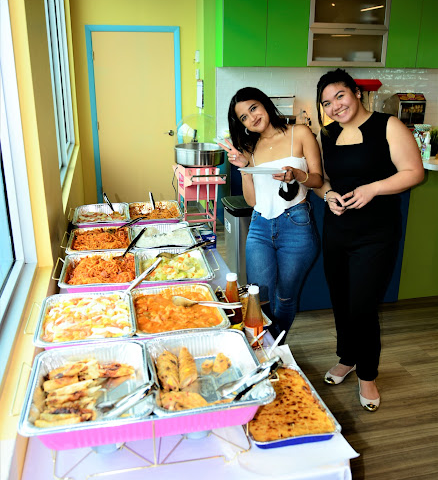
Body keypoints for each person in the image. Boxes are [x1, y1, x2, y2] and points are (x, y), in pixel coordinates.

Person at [314, 69, 424, 411]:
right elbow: (323, 179)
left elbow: (413, 172)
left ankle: (368, 375)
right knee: (341, 300)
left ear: (356, 93)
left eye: (340, 96)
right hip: (337, 229)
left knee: (362, 306)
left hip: (376, 234)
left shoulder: (388, 125)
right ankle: (347, 358)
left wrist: (373, 188)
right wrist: (328, 194)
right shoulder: (327, 134)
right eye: (327, 102)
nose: (335, 106)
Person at [218, 87, 323, 340]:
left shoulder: (300, 133)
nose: (252, 118)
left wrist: (298, 175)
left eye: (253, 108)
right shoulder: (252, 149)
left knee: (285, 297)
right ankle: (265, 346)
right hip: (260, 227)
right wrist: (245, 168)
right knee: (258, 296)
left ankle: (274, 346)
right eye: (244, 117)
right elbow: (253, 201)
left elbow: (318, 180)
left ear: (265, 104)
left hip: (296, 225)